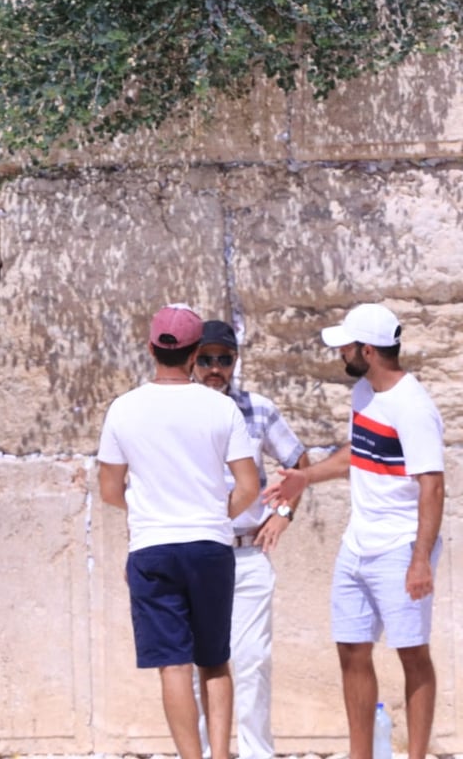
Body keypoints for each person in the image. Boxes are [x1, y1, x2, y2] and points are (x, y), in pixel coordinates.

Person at [266, 303, 444, 759]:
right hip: (357, 545)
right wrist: (306, 477)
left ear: (368, 349)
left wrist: (420, 559)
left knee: (412, 654)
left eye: (346, 347)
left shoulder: (414, 406)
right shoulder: (365, 393)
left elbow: (433, 486)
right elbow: (356, 454)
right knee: (351, 649)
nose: (340, 354)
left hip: (400, 548)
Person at [97, 304, 259, 759]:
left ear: (152, 348)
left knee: (172, 665)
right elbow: (248, 487)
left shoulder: (124, 409)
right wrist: (212, 512)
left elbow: (110, 489)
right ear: (195, 353)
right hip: (209, 543)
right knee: (215, 659)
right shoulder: (220, 407)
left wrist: (151, 509)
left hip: (153, 546)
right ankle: (221, 756)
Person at [191, 320, 309, 759]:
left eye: (224, 359)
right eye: (206, 359)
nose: (215, 368)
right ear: (191, 360)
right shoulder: (180, 411)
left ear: (235, 360)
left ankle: (257, 752)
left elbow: (298, 461)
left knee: (253, 658)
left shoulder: (256, 409)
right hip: (197, 551)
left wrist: (283, 513)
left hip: (247, 552)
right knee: (196, 665)